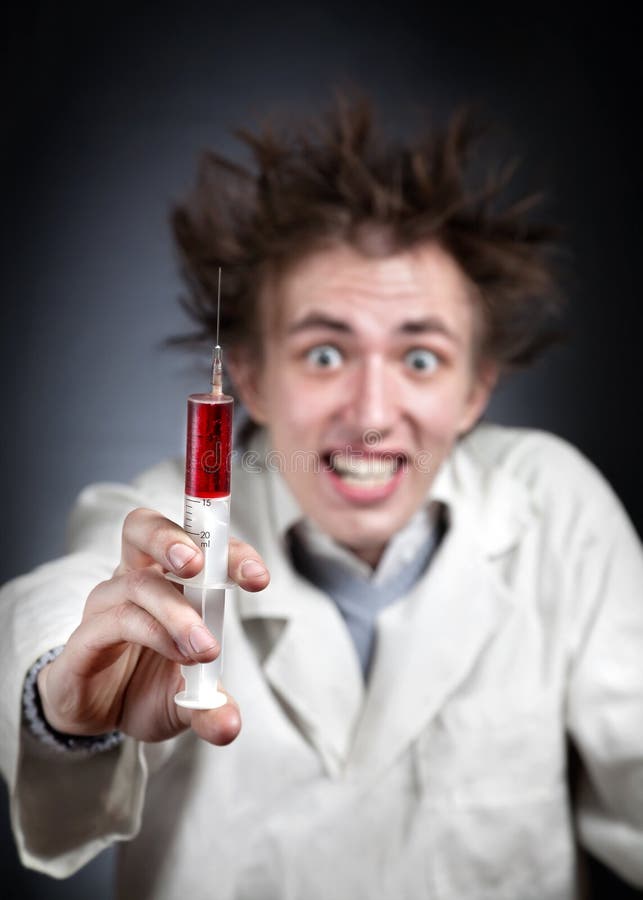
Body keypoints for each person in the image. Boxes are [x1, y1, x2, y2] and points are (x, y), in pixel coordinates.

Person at [1, 95, 642, 900]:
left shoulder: (554, 508)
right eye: (326, 352)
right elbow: (59, 606)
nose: (371, 415)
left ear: (476, 389)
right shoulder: (167, 515)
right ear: (251, 377)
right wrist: (59, 708)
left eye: (419, 359)